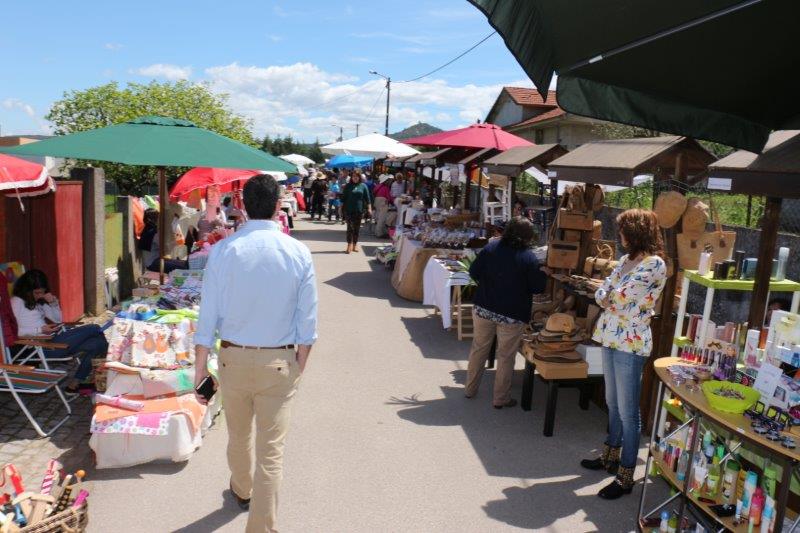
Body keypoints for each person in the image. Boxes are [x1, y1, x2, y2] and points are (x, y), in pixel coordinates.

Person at [195, 174, 318, 533]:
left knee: (238, 436)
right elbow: (307, 324)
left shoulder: (224, 250)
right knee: (271, 452)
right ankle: (261, 527)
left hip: (233, 358)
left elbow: (207, 317)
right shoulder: (297, 252)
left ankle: (241, 488)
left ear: (244, 206)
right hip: (279, 360)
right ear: (279, 206)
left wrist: (201, 368)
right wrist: (299, 367)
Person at [580, 209, 667, 500]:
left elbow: (614, 296)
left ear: (635, 232)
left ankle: (627, 475)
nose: (619, 236)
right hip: (611, 337)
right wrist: (611, 295)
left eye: (622, 231)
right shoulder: (626, 262)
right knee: (612, 402)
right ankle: (609, 456)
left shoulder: (654, 264)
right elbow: (601, 293)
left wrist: (610, 295)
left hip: (631, 344)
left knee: (629, 413)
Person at [464, 217, 547, 408]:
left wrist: (489, 285)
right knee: (506, 356)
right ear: (527, 237)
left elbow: (474, 272)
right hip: (511, 314)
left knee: (479, 349)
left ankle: (470, 389)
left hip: (484, 307)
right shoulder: (528, 258)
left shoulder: (491, 248)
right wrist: (543, 273)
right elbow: (537, 287)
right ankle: (500, 398)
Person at [11, 270, 108, 396]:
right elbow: (13, 332)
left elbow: (57, 319)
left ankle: (74, 384)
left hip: (53, 340)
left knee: (99, 343)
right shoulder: (16, 302)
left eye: (42, 292)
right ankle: (98, 376)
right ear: (26, 290)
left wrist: (52, 303)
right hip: (39, 347)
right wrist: (39, 330)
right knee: (93, 327)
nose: (40, 295)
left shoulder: (39, 301)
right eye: (37, 292)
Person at [341, 171, 372, 254]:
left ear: (359, 177)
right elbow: (343, 198)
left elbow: (368, 199)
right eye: (353, 176)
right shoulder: (348, 186)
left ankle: (355, 244)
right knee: (350, 228)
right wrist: (341, 208)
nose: (355, 178)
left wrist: (369, 209)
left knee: (356, 228)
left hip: (359, 210)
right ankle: (349, 245)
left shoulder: (363, 186)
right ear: (351, 177)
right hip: (348, 210)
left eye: (357, 176)